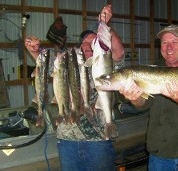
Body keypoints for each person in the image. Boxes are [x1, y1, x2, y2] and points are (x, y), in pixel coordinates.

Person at [25, 4, 125, 171]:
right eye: (84, 42)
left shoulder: (107, 64)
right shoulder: (72, 65)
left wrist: (105, 26)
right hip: (67, 141)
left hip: (98, 141)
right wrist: (35, 51)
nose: (87, 45)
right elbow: (46, 67)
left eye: (92, 41)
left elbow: (119, 52)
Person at [119, 24, 178, 171]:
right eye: (164, 43)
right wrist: (135, 98)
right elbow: (144, 103)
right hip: (160, 155)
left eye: (174, 42)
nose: (169, 47)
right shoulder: (151, 71)